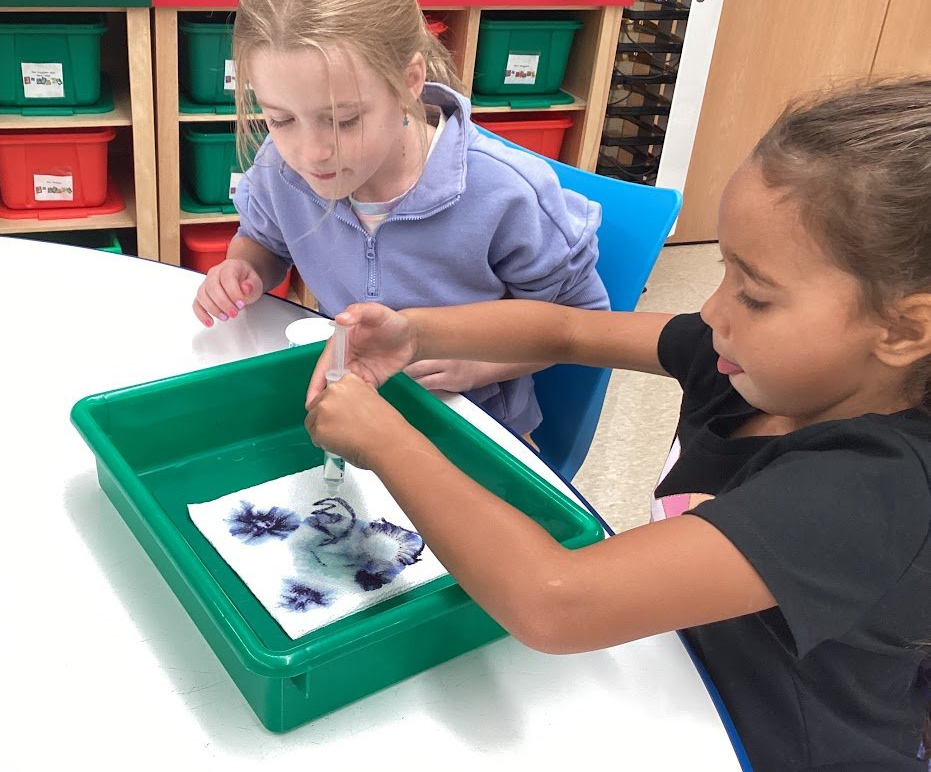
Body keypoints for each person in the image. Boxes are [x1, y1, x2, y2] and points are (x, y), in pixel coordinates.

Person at [304, 77, 931, 770]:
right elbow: (569, 330)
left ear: (903, 330)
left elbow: (555, 601)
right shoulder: (744, 360)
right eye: (724, 270)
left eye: (754, 293)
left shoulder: (872, 490)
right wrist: (415, 333)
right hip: (675, 678)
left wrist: (385, 438)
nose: (713, 310)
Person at [191, 0, 609, 435]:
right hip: (361, 417)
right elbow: (265, 240)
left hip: (476, 429)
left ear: (409, 80)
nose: (312, 152)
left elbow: (582, 322)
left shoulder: (504, 192)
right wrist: (243, 270)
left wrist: (479, 363)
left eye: (342, 120)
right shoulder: (281, 171)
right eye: (280, 119)